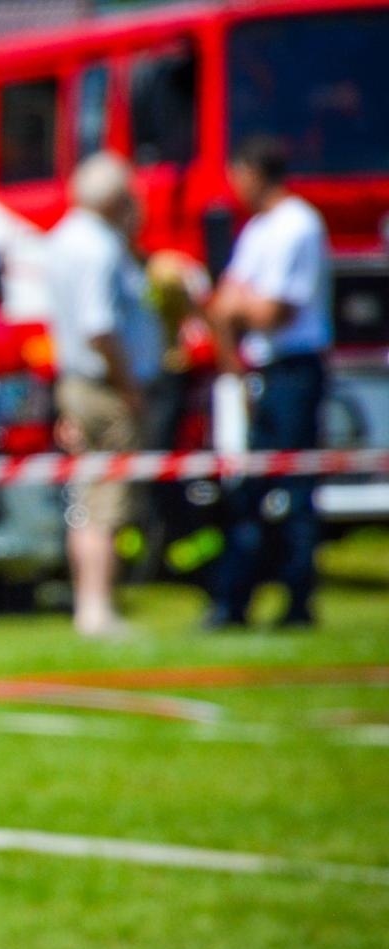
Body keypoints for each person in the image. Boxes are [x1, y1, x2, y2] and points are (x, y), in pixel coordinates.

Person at [205, 135, 332, 629]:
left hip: (296, 369)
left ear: (254, 172)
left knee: (296, 488)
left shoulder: (298, 224)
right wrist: (237, 310)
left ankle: (298, 599)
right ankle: (234, 600)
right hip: (263, 369)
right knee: (250, 488)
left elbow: (274, 311)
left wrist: (238, 307)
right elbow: (225, 305)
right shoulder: (258, 229)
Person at [43, 151, 162, 637]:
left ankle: (89, 604)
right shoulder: (100, 247)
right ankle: (97, 608)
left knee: (85, 498)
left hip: (76, 382)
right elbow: (99, 327)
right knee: (107, 502)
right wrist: (129, 386)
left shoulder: (61, 239)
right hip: (104, 387)